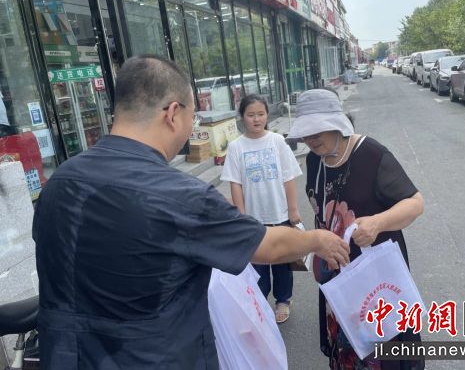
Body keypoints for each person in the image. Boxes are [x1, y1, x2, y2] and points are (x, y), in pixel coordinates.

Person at [32, 55, 350, 370]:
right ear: (173, 113)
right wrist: (316, 240)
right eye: (192, 118)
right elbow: (268, 245)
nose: (190, 127)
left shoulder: (58, 183)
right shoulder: (178, 195)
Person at [287, 88, 425, 370]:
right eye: (305, 133)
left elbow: (415, 203)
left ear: (337, 123)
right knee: (347, 346)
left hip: (377, 276)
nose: (311, 139)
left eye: (317, 131)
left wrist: (378, 222)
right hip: (338, 274)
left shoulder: (371, 155)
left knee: (383, 346)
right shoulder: (314, 160)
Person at [221, 94, 301, 324]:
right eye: (251, 115)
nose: (256, 119)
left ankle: (283, 300)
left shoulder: (277, 141)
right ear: (242, 117)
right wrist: (241, 215)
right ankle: (259, 302)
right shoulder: (236, 147)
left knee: (283, 262)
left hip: (280, 213)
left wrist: (293, 210)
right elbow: (235, 183)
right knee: (258, 265)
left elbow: (288, 177)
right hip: (253, 218)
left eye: (261, 114)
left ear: (267, 115)